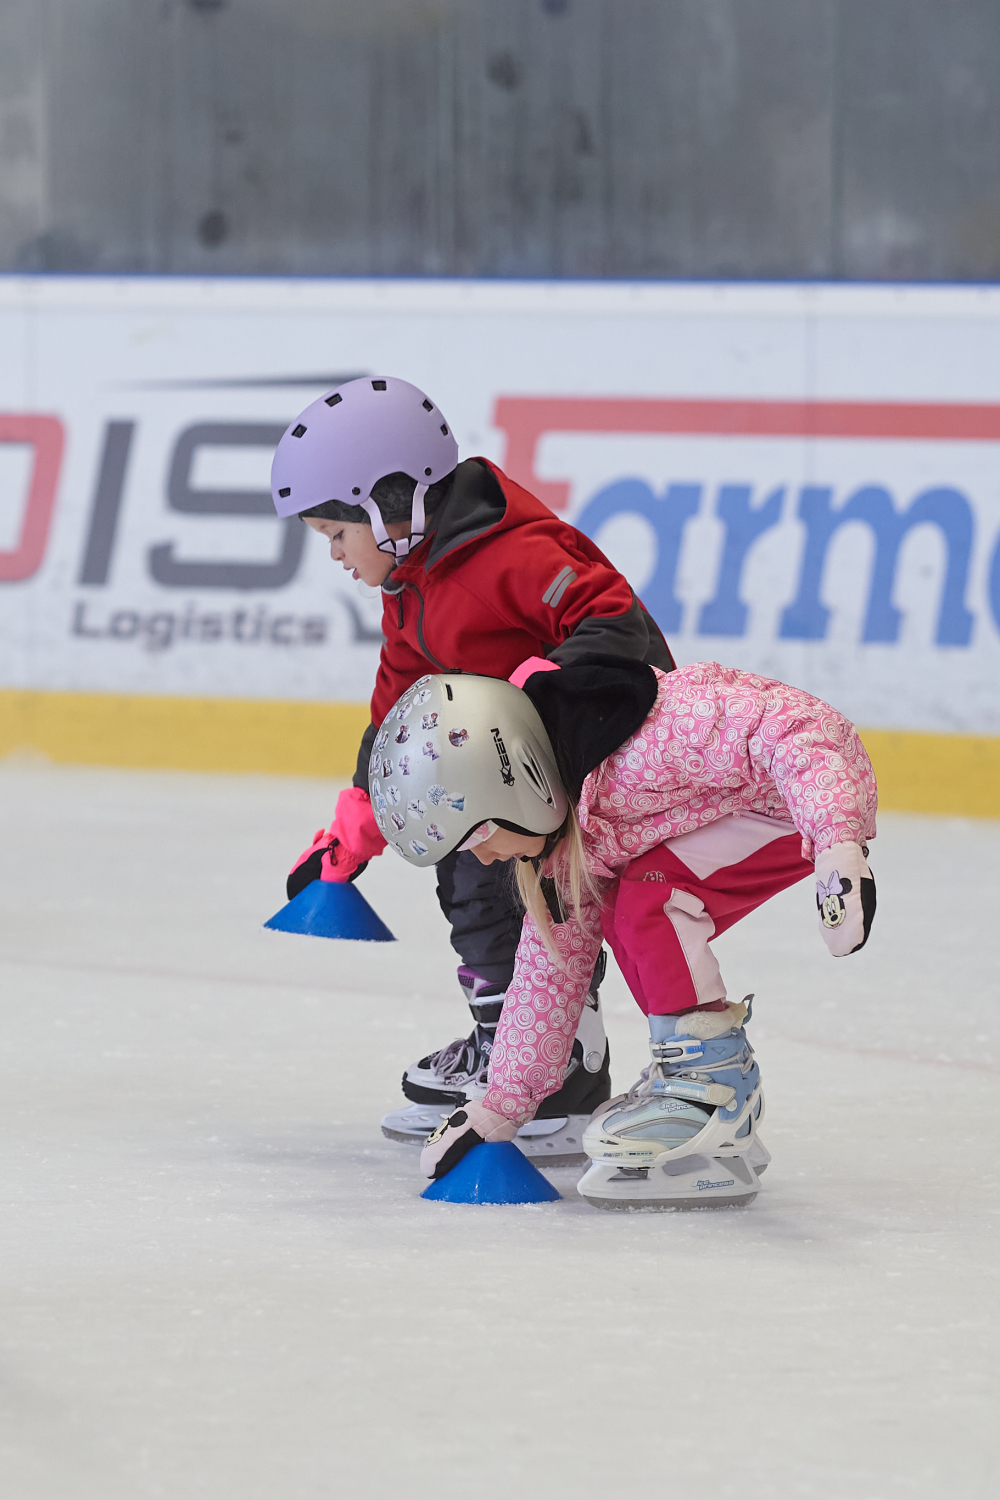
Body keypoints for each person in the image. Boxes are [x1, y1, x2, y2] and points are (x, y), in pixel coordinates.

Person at [270, 375, 674, 1162]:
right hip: (524, 780)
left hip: (600, 766)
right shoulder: (413, 580)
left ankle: (558, 1069)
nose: (335, 555)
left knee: (490, 867)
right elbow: (398, 711)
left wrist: (538, 702)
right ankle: (513, 1046)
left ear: (388, 505)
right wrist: (357, 825)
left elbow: (616, 624)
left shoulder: (511, 555)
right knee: (462, 850)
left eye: (336, 533)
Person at [370, 657, 877, 1210]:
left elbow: (793, 726)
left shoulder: (648, 740)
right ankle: (694, 1076)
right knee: (623, 907)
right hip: (763, 812)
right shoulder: (565, 846)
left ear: (513, 790)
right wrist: (500, 1106)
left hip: (797, 801)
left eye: (477, 839)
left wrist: (836, 840)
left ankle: (714, 1093)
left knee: (648, 903)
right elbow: (549, 975)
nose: (485, 858)